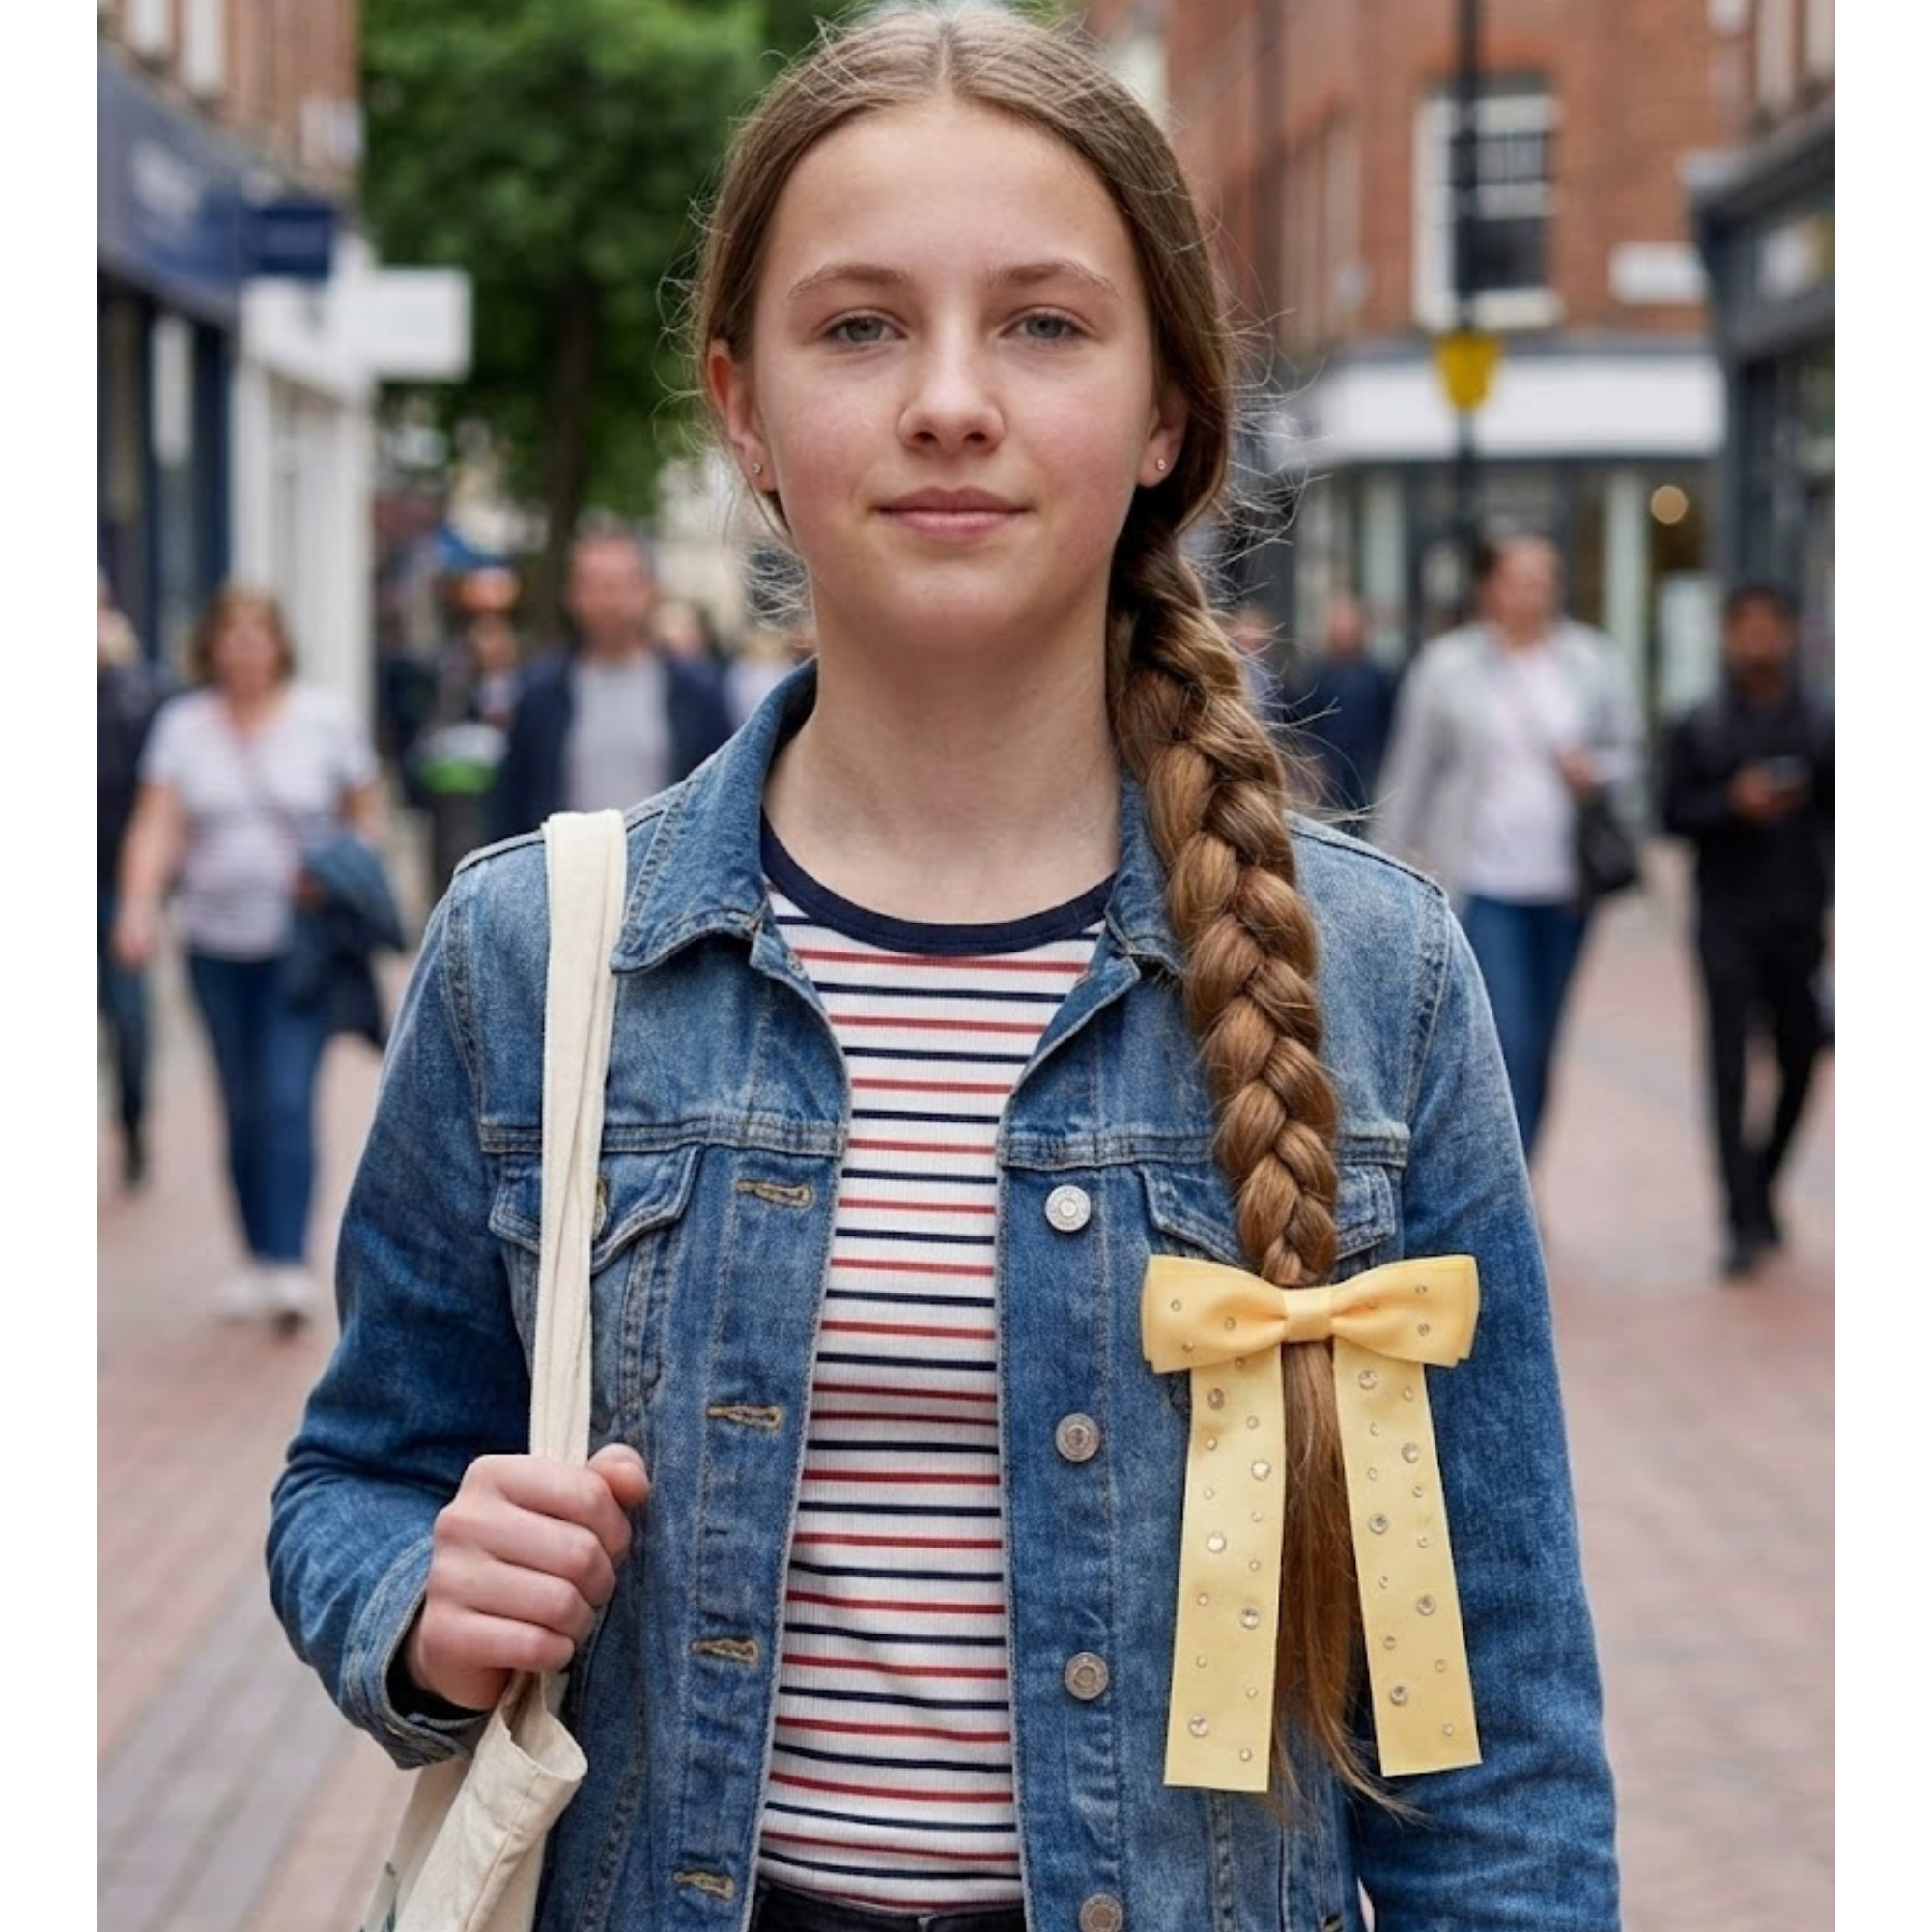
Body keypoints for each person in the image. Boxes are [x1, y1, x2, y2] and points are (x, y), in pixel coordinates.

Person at [269, 10, 1618, 1929]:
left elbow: (1482, 1726)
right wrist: (419, 1600)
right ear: (741, 404)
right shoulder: (533, 953)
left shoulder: (1373, 975)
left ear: (1169, 412)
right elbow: (356, 1478)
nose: (951, 400)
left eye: (1045, 324)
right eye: (860, 326)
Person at [112, 584, 384, 1327]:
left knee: (287, 1097)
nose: (244, 646)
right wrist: (137, 907)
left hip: (301, 947)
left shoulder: (323, 720)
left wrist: (333, 869)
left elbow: (366, 816)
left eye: (257, 631)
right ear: (211, 643)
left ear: (279, 642)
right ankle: (255, 1256)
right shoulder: (183, 726)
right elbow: (156, 824)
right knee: (237, 1103)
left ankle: (291, 1260)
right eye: (230, 632)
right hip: (213, 945)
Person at [1372, 534, 1643, 1164]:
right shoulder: (1446, 666)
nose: (1536, 591)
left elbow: (1629, 754)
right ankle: (1501, 1187)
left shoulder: (1590, 660)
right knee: (1509, 1040)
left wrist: (1595, 771)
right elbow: (1410, 774)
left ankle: (1524, 1174)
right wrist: (1385, 868)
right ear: (1491, 588)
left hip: (1568, 886)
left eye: (1545, 578)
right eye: (1521, 578)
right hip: (1484, 882)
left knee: (1544, 1042)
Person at [1661, 583, 1833, 1278]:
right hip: (1724, 919)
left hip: (1798, 916)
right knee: (1729, 1069)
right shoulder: (1700, 724)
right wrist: (1732, 803)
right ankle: (1739, 1218)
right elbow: (1672, 815)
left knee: (1800, 1057)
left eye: (1771, 625)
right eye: (1745, 626)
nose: (1758, 639)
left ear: (1790, 634)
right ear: (1728, 636)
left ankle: (1760, 1181)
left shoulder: (1822, 722)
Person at [486, 526, 736, 840]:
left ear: (651, 590)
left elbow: (726, 797)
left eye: (621, 585)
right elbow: (512, 800)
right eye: (593, 585)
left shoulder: (697, 693)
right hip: (565, 872)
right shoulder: (540, 692)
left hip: (670, 875)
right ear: (571, 594)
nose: (608, 600)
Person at [97, 569, 175, 1189]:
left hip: (115, 884)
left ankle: (133, 1122)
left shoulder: (134, 692)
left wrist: (143, 898)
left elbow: (156, 797)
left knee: (128, 1017)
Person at [1280, 591, 1399, 822]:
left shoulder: (1375, 674)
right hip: (1328, 764)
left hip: (1367, 765)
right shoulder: (1318, 673)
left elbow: (1388, 720)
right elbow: (1300, 716)